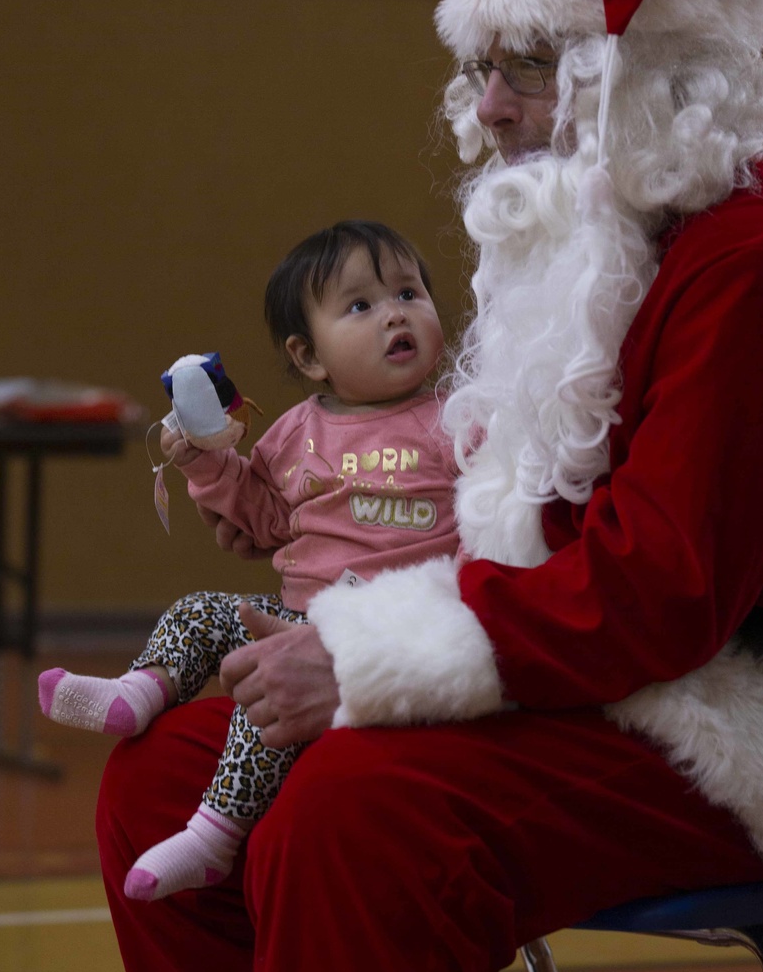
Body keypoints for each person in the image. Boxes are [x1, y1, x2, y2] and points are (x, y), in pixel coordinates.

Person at [95, 0, 763, 972]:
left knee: (365, 818)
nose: (492, 110)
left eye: (526, 65)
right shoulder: (601, 235)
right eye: (481, 65)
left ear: (642, 72)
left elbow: (657, 592)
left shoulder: (757, 265)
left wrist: (356, 656)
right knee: (168, 774)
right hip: (624, 667)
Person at [42, 219, 455, 900]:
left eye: (409, 292)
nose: (395, 314)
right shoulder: (296, 433)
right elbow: (261, 519)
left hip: (391, 639)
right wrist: (207, 462)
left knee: (266, 690)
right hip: (296, 616)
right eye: (361, 305)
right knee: (198, 612)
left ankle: (214, 837)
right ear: (310, 356)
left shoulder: (458, 418)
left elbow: (500, 525)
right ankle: (139, 691)